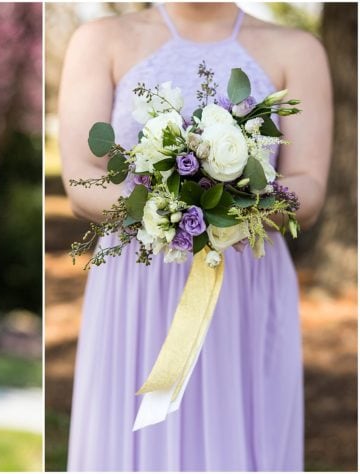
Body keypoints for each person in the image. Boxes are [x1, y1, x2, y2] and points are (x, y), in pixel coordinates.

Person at [59, 3, 331, 471]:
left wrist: (233, 202)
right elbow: (81, 178)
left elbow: (309, 184)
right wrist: (170, 208)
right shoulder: (100, 40)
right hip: (138, 288)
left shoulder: (297, 49)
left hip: (243, 283)